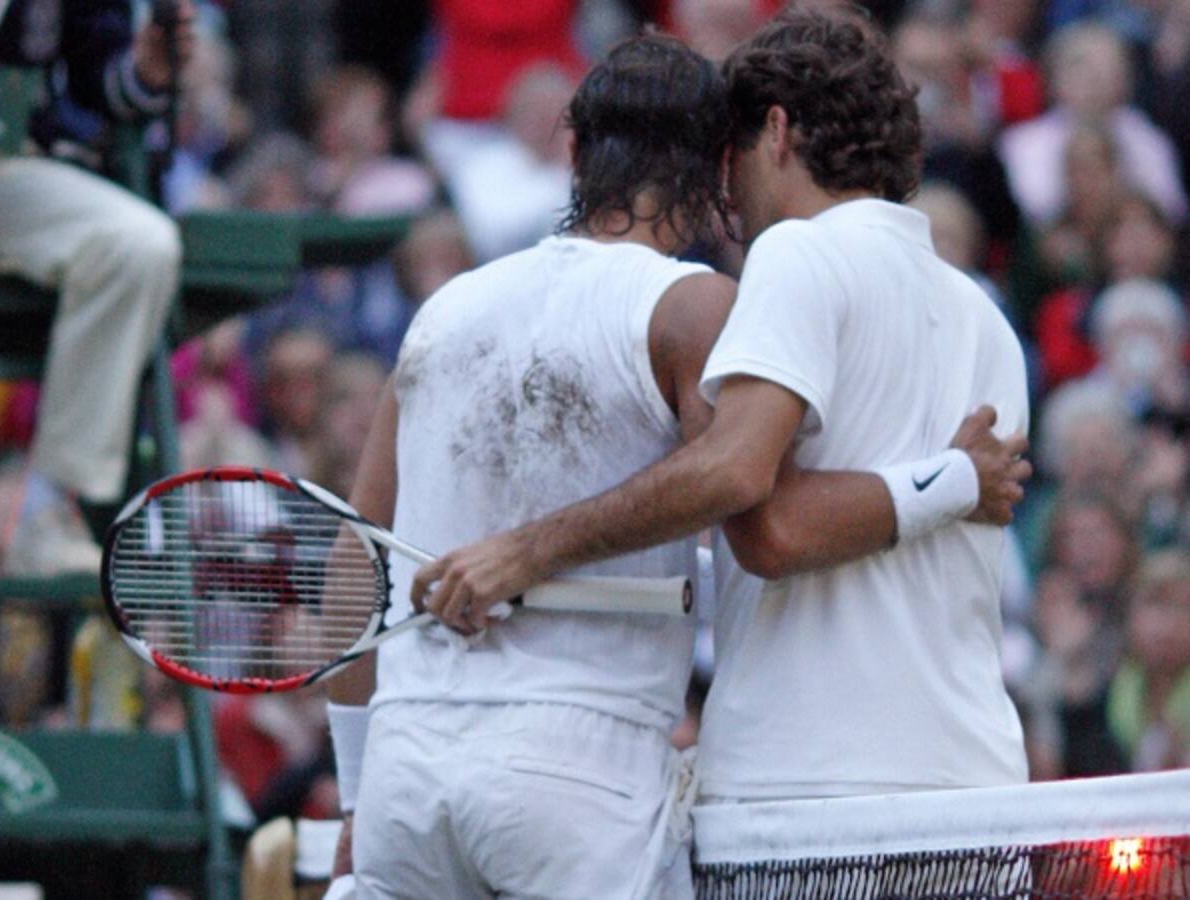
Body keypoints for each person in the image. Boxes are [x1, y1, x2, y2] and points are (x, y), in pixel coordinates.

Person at [328, 27, 1028, 900]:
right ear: (707, 174)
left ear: (575, 150)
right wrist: (955, 481)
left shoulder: (440, 311)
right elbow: (750, 499)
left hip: (407, 769)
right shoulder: (959, 320)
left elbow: (350, 567)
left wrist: (357, 795)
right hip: (591, 776)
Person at [0, 0, 195, 574]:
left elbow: (95, 81)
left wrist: (145, 70)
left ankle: (48, 511)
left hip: (7, 171)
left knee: (137, 243)